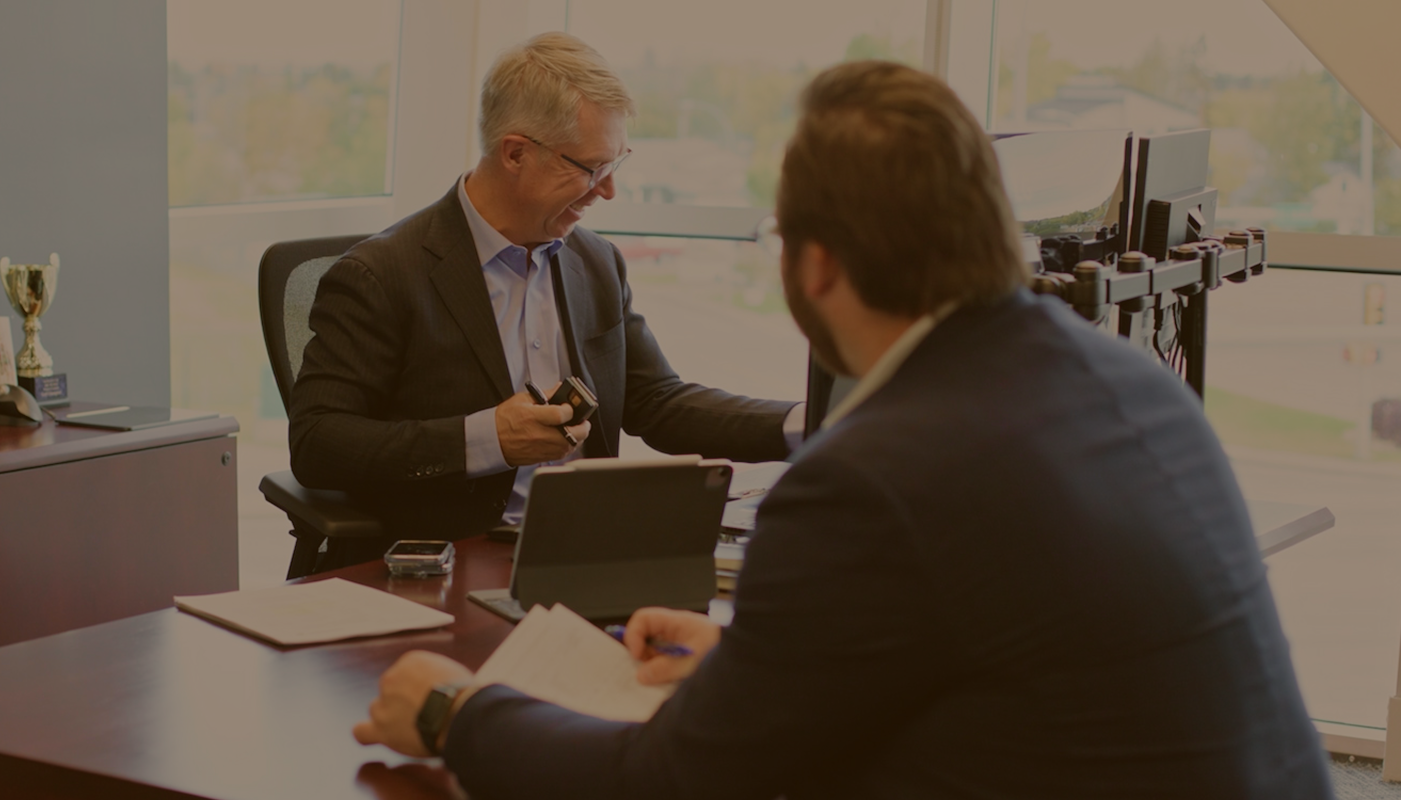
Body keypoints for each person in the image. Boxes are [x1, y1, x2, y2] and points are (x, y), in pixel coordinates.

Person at [351, 60, 1333, 799]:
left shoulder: (870, 477)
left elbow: (677, 777)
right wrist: (754, 663)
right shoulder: (1135, 381)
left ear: (815, 265)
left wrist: (455, 712)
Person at [289, 33, 803, 566]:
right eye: (591, 168)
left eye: (616, 164)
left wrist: (807, 423)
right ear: (515, 153)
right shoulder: (380, 275)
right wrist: (487, 439)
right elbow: (318, 443)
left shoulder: (595, 262)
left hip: (587, 555)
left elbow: (655, 401)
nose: (608, 190)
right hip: (450, 563)